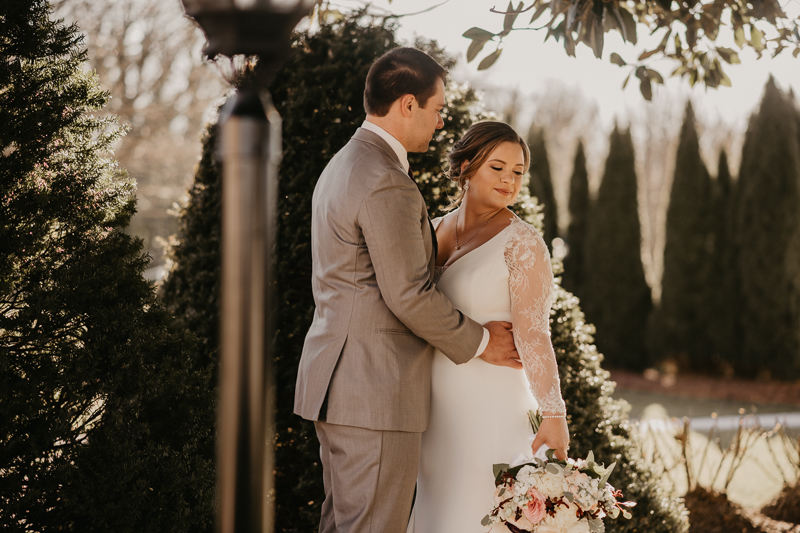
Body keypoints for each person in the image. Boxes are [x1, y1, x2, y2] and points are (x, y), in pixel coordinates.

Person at [293, 48, 522, 533]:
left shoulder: (344, 164)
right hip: (374, 392)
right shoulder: (385, 181)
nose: (442, 123)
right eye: (438, 109)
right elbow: (409, 295)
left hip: (340, 385)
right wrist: (483, 341)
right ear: (407, 105)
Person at [407, 121, 570, 533]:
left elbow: (534, 334)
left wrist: (554, 413)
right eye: (497, 167)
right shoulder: (433, 230)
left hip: (490, 409)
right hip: (431, 412)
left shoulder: (523, 243)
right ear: (465, 166)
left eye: (517, 172)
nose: (509, 180)